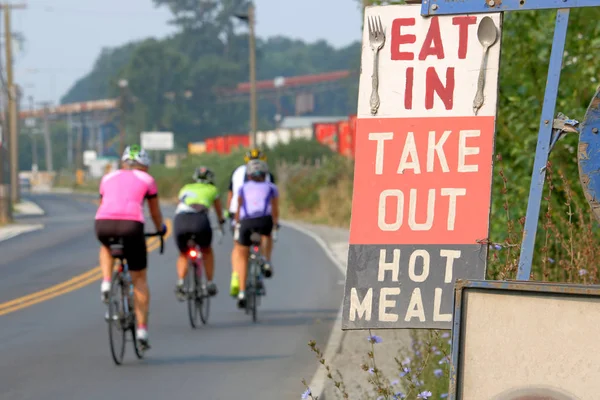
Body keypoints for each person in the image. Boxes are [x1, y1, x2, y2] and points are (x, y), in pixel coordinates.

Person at [94, 144, 167, 349]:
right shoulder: (147, 180)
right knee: (140, 279)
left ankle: (107, 281)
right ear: (144, 165)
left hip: (103, 224)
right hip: (132, 226)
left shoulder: (107, 177)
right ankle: (142, 329)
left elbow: (104, 204)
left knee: (106, 247)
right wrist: (160, 228)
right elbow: (154, 212)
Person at [230, 159, 279, 308]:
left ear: (249, 176)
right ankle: (266, 261)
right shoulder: (271, 187)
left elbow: (239, 208)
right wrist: (275, 224)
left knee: (242, 256)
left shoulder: (243, 188)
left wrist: (237, 222)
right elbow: (275, 209)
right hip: (264, 221)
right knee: (267, 235)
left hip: (246, 223)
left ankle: (242, 292)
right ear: (265, 175)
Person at [173, 166, 225, 300]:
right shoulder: (213, 189)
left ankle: (180, 283)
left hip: (181, 220)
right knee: (207, 251)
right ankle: (209, 283)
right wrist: (221, 223)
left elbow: (179, 205)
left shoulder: (185, 188)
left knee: (183, 253)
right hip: (200, 221)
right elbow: (219, 211)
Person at [225, 148, 276, 231]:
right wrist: (275, 220)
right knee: (266, 234)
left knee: (238, 240)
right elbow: (273, 199)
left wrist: (228, 210)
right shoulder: (268, 174)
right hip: (262, 213)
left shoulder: (237, 171)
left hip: (237, 211)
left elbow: (231, 193)